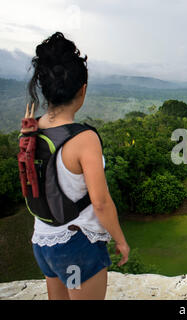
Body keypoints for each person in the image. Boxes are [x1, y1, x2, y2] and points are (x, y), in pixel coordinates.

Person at [26, 32, 129, 300]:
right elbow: (101, 202)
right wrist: (120, 240)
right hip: (76, 248)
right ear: (82, 89)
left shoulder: (31, 128)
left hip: (44, 243)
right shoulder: (84, 139)